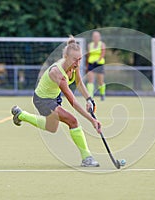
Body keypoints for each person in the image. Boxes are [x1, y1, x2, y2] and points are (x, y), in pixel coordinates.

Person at [11, 36, 101, 167]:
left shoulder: (74, 66)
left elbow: (79, 83)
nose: (77, 63)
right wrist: (92, 120)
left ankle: (21, 115)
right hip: (42, 99)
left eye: (80, 59)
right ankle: (87, 158)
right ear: (66, 57)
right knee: (73, 120)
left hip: (54, 97)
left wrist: (89, 99)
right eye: (75, 59)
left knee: (51, 127)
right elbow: (73, 102)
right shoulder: (57, 73)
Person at [86, 31, 106, 101]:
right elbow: (88, 55)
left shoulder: (102, 44)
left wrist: (98, 60)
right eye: (94, 37)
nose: (95, 38)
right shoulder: (89, 45)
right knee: (90, 80)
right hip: (91, 64)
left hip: (99, 64)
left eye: (97, 36)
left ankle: (102, 94)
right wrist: (88, 63)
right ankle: (90, 96)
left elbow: (103, 53)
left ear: (99, 37)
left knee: (100, 81)